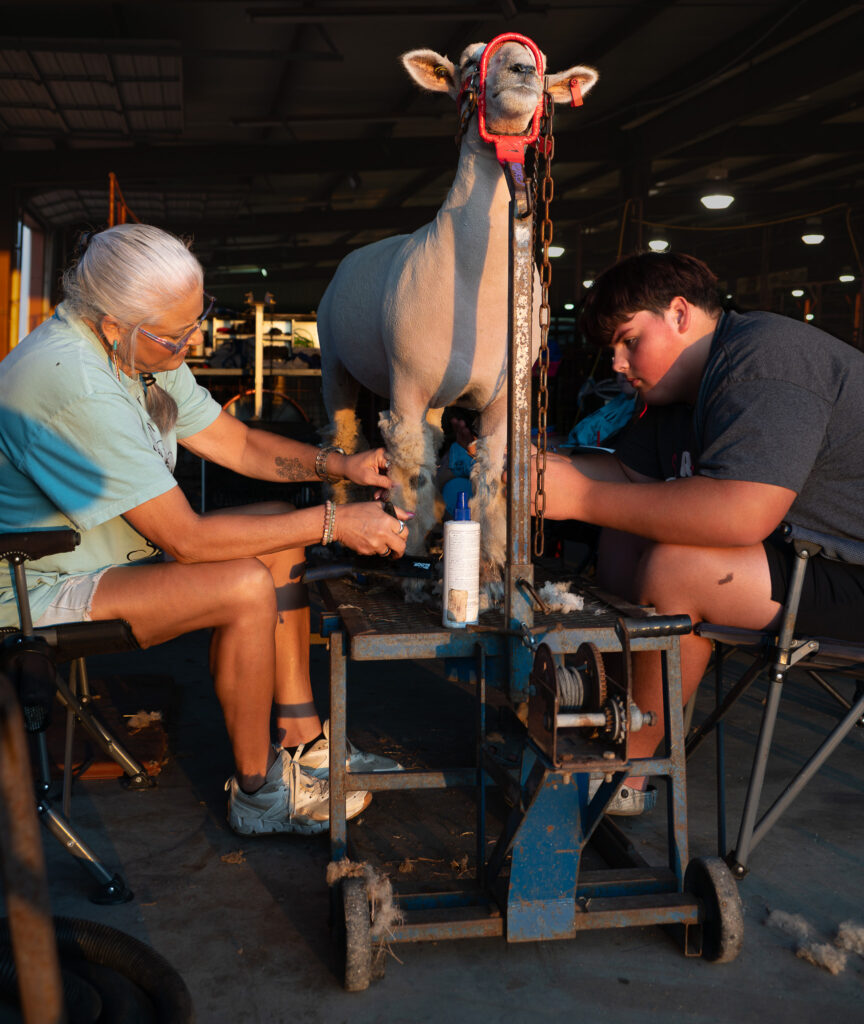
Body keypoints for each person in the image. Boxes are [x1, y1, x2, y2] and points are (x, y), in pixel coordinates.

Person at [0, 223, 414, 836]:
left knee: (277, 529)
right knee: (244, 585)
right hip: (31, 583)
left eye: (199, 321)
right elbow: (186, 540)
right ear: (115, 323)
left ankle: (304, 741)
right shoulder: (75, 384)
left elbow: (237, 441)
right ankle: (259, 792)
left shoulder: (137, 350)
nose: (191, 344)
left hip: (103, 550)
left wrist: (341, 464)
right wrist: (335, 521)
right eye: (177, 335)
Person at [537, 251, 864, 813]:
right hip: (807, 558)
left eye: (628, 340)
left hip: (852, 571)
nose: (617, 363)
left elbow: (742, 513)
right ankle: (606, 722)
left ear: (680, 314)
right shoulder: (678, 392)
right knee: (621, 532)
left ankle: (628, 773)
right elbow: (624, 476)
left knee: (677, 566)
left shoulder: (766, 356)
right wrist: (536, 469)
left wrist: (580, 497)